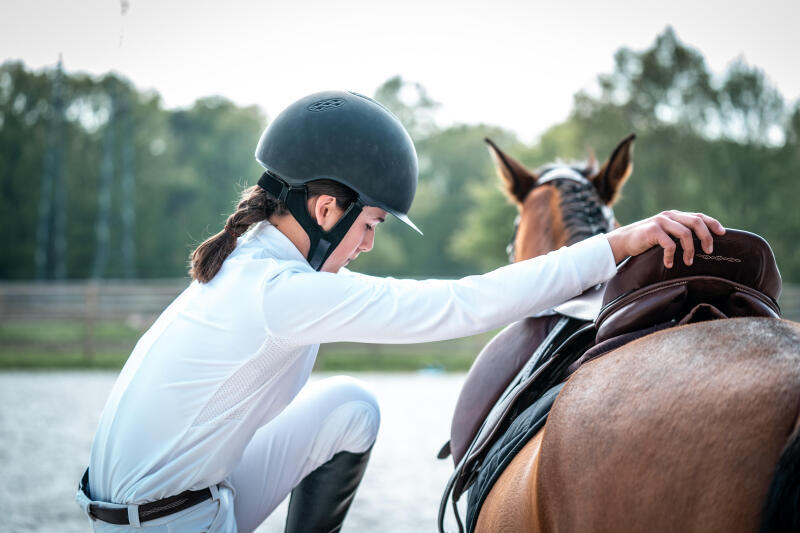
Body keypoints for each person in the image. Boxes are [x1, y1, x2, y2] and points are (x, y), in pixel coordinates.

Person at [76, 90, 724, 533]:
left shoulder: (256, 261)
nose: (369, 243)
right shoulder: (280, 292)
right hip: (169, 522)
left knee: (353, 408)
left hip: (176, 500)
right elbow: (459, 304)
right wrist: (616, 244)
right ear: (325, 209)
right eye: (371, 222)